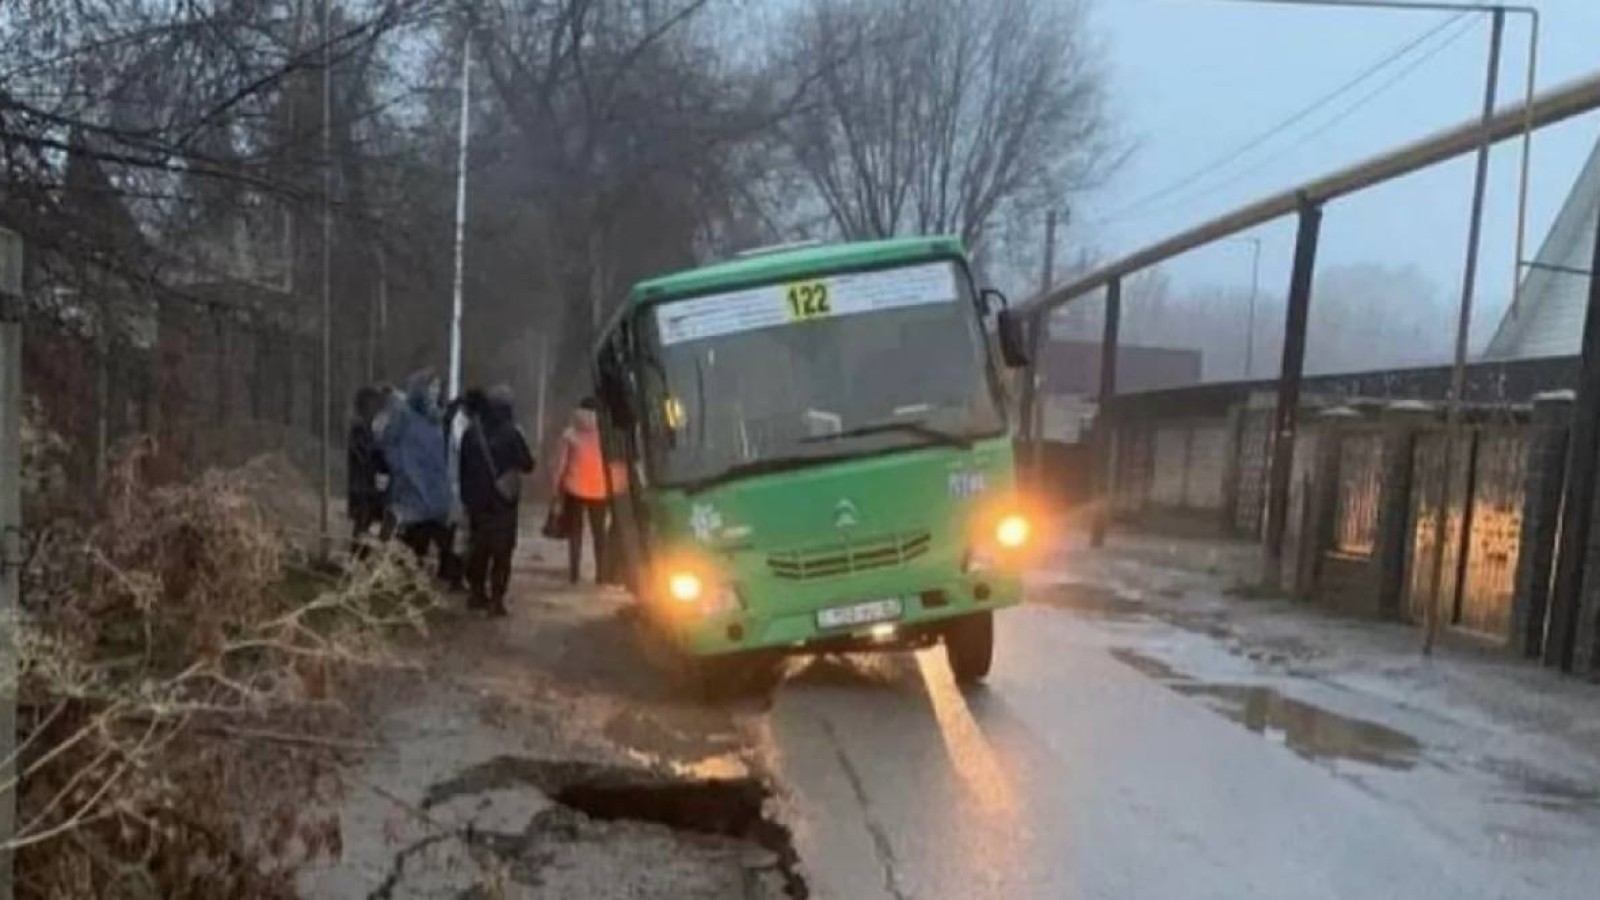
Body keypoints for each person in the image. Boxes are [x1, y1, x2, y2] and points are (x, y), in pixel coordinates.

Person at [460, 385, 534, 615]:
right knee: (502, 551)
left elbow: (462, 468)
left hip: (477, 501)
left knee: (478, 548)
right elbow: (528, 464)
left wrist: (466, 498)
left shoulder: (471, 433)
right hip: (503, 502)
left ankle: (476, 593)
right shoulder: (512, 432)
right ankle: (497, 599)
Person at [378, 370, 453, 573]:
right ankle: (404, 577)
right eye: (431, 387)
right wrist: (401, 468)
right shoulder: (403, 414)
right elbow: (389, 443)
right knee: (411, 539)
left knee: (433, 538)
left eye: (437, 387)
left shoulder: (436, 418)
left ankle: (422, 577)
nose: (435, 392)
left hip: (434, 488)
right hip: (410, 486)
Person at [552, 397, 609, 584]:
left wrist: (556, 489)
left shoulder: (569, 434)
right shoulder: (606, 434)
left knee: (575, 532)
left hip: (574, 488)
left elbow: (560, 464)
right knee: (599, 532)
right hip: (600, 489)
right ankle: (601, 574)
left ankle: (574, 574)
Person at [347, 387, 389, 557]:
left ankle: (364, 558)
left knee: (371, 527)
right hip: (362, 488)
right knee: (362, 526)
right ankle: (357, 559)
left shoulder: (372, 429)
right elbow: (364, 454)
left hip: (371, 487)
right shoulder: (358, 429)